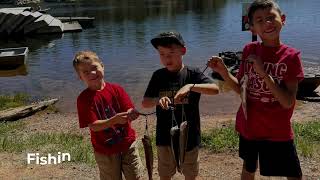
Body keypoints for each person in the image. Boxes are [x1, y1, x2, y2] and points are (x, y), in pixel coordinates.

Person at [207, 0, 304, 179]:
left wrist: (264, 73)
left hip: (278, 131)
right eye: (259, 20)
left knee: (292, 173)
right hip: (249, 126)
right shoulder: (249, 50)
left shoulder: (291, 57)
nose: (266, 23)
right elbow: (242, 89)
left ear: (282, 19)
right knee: (249, 168)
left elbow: (288, 102)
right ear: (252, 28)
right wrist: (224, 73)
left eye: (271, 17)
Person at [142, 31, 219, 180]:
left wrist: (190, 86)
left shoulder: (193, 73)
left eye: (171, 53)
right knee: (165, 173)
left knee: (190, 173)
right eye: (162, 54)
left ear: (183, 50)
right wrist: (159, 100)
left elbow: (215, 90)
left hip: (189, 137)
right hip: (164, 137)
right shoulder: (158, 76)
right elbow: (145, 102)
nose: (166, 58)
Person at [73, 51, 144, 180]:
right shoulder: (83, 99)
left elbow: (129, 108)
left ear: (102, 66)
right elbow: (94, 126)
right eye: (86, 72)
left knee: (135, 176)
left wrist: (132, 113)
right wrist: (114, 120)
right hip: (105, 150)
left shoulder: (117, 89)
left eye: (94, 68)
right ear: (80, 77)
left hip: (128, 144)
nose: (92, 73)